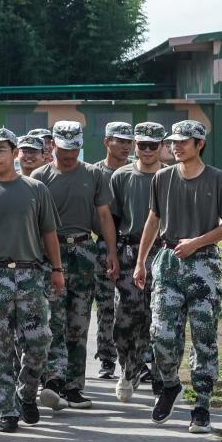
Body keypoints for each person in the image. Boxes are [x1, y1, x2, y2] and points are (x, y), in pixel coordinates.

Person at [0, 128, 63, 432]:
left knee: (38, 341)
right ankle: (6, 408)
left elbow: (49, 233)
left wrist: (57, 270)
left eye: (0, 149)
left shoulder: (35, 189)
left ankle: (26, 393)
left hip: (30, 273)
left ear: (14, 151)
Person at [135, 120, 222, 433]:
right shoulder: (162, 177)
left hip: (204, 264)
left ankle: (201, 405)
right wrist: (141, 262)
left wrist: (197, 243)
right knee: (161, 333)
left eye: (183, 142)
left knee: (204, 338)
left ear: (199, 144)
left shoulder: (217, 179)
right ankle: (171, 384)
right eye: (172, 142)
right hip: (169, 261)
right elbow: (153, 219)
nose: (175, 146)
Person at [31, 120, 118, 410]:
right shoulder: (39, 177)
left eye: (75, 149)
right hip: (50, 254)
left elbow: (104, 216)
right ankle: (52, 381)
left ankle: (73, 386)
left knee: (79, 323)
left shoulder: (93, 175)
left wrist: (112, 252)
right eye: (64, 148)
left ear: (81, 146)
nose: (69, 155)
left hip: (83, 251)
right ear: (52, 145)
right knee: (52, 320)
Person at [109, 122, 166, 402]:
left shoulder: (171, 177)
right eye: (141, 144)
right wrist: (113, 254)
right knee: (124, 321)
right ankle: (128, 369)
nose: (146, 150)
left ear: (162, 146)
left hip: (162, 253)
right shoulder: (121, 176)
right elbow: (114, 219)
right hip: (129, 251)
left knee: (159, 319)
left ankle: (159, 377)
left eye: (152, 145)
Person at [92, 121, 134, 379]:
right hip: (101, 244)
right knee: (105, 304)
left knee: (132, 306)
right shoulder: (95, 172)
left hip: (131, 244)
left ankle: (133, 359)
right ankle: (106, 359)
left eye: (129, 141)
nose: (125, 146)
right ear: (107, 141)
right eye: (120, 140)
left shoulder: (136, 172)